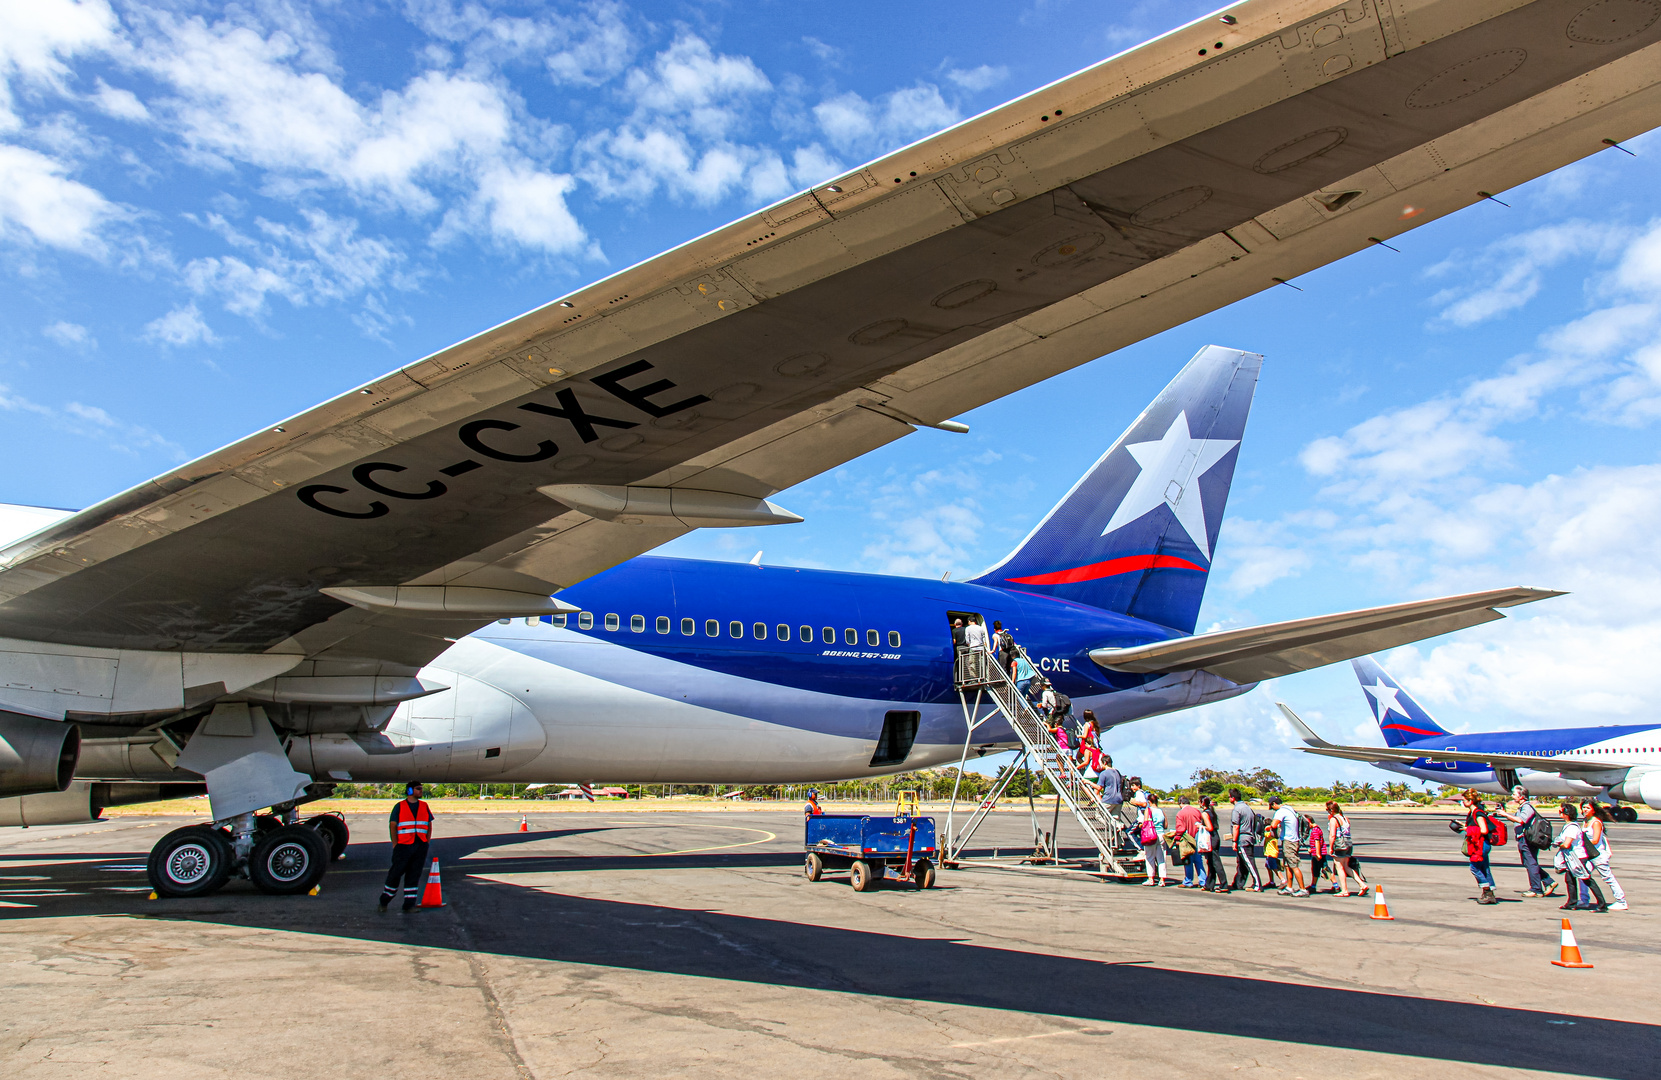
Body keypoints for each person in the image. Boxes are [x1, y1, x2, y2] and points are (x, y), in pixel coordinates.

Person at [380, 781, 434, 912]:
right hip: (403, 846)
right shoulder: (399, 806)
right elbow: (393, 825)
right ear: (410, 791)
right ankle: (384, 901)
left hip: (420, 845)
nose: (421, 791)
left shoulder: (424, 805)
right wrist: (395, 843)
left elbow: (429, 824)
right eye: (418, 789)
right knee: (395, 874)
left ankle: (409, 905)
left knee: (414, 875)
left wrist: (426, 842)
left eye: (421, 788)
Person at [1498, 785, 1557, 898]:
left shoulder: (1527, 807)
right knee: (1528, 863)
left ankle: (1536, 889)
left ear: (1522, 796)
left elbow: (1521, 820)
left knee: (1531, 863)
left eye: (1514, 794)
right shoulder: (1522, 807)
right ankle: (1548, 881)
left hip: (1527, 839)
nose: (1512, 796)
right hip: (1522, 838)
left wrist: (1506, 815)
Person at [1555, 802, 1608, 913]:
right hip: (1573, 857)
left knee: (1586, 879)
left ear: (1566, 814)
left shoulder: (1572, 828)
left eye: (1561, 812)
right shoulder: (1569, 826)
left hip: (1578, 857)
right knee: (1570, 879)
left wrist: (1556, 844)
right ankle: (1572, 902)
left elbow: (1567, 844)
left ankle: (1602, 904)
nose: (1559, 813)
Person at [1579, 801, 1628, 911]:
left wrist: (1581, 843)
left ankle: (1621, 901)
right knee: (1583, 876)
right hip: (1589, 854)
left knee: (1608, 878)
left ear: (1593, 810)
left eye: (1587, 807)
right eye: (1583, 808)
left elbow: (1596, 840)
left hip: (1598, 855)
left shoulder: (1596, 822)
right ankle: (1584, 900)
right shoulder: (1585, 821)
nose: (1585, 810)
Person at [1455, 790, 1498, 904]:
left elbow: (1484, 829)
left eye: (1464, 800)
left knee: (1474, 868)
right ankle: (1490, 894)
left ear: (1470, 801)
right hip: (1479, 843)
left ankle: (1487, 891)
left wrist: (1467, 829)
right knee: (1485, 869)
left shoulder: (1478, 813)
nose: (1462, 802)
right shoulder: (1472, 813)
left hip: (1481, 845)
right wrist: (1465, 826)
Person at [1325, 801, 1366, 896]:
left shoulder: (1334, 820)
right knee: (1346, 866)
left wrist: (1331, 848)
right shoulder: (1345, 818)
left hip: (1339, 844)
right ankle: (1362, 884)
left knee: (1339, 867)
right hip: (1348, 843)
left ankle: (1344, 890)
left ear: (1331, 810)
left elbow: (1332, 835)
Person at [1268, 796, 1306, 896]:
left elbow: (1274, 825)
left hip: (1289, 841)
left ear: (1274, 804)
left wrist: (1272, 830)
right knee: (1288, 865)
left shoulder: (1280, 811)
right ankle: (1289, 887)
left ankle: (1303, 889)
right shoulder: (1289, 808)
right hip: (1293, 840)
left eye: (1272, 807)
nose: (1273, 809)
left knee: (1293, 865)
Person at [1228, 788, 1264, 891]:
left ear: (1233, 798)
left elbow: (1236, 826)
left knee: (1249, 862)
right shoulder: (1247, 808)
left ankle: (1258, 884)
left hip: (1243, 839)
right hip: (1250, 837)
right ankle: (1238, 883)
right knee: (1242, 863)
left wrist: (1234, 841)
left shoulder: (1237, 809)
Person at [1173, 795, 1204, 888]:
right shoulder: (1197, 811)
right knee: (1198, 861)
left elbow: (1180, 828)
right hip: (1197, 838)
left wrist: (1177, 838)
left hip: (1187, 839)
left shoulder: (1180, 814)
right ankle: (1203, 880)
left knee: (1187, 860)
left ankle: (1188, 880)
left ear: (1180, 803)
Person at [1137, 792, 1168, 886]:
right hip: (1161, 835)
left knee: (1149, 857)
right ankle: (1162, 880)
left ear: (1149, 801)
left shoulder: (1148, 810)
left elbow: (1146, 823)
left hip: (1151, 835)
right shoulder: (1161, 811)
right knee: (1161, 858)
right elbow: (1165, 825)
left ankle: (1151, 879)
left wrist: (1140, 825)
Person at [1199, 795, 1229, 893]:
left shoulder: (1204, 813)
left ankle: (1223, 884)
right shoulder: (1212, 812)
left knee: (1215, 862)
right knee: (1211, 862)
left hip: (1210, 838)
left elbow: (1210, 827)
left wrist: (1200, 826)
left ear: (1202, 803)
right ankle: (1209, 884)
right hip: (1215, 837)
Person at [1306, 813, 1329, 893]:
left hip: (1318, 854)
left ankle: (1313, 886)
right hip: (1320, 852)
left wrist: (1317, 853)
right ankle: (1313, 885)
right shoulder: (1317, 829)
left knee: (1319, 869)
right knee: (1322, 869)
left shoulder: (1315, 830)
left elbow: (1317, 842)